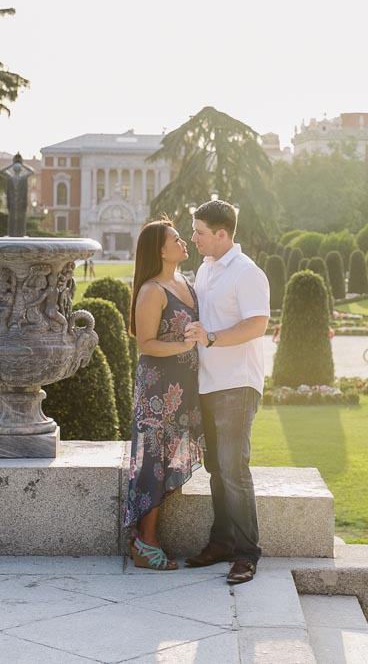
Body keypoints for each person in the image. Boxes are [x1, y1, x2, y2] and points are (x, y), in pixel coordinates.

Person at [183, 200, 271, 585]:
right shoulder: (205, 268)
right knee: (217, 469)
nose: (194, 238)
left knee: (234, 470)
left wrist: (213, 337)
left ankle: (247, 555)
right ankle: (221, 543)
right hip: (208, 382)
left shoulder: (247, 273)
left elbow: (257, 325)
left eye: (200, 232)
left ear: (222, 234)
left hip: (237, 383)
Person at [124, 220, 205, 571]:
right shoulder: (152, 290)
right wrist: (185, 344)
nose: (183, 241)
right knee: (152, 463)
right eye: (176, 239)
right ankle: (146, 543)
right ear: (160, 249)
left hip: (184, 388)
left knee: (169, 459)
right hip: (158, 391)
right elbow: (145, 345)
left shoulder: (185, 282)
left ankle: (145, 539)